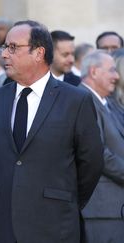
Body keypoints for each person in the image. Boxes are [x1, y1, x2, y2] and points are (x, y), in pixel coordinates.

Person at [0, 20, 104, 243]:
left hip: (55, 225)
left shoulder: (76, 100)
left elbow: (91, 162)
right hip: (2, 224)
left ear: (39, 53)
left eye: (13, 47)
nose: (4, 54)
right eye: (5, 47)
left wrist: (63, 199)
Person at [78, 50, 124, 243]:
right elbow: (97, 151)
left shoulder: (109, 102)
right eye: (112, 70)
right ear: (94, 71)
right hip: (101, 207)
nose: (117, 76)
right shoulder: (82, 99)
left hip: (115, 207)